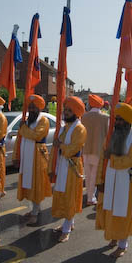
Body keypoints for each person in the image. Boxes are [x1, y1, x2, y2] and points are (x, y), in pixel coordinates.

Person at [95, 103, 132, 258]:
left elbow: (130, 161)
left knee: (123, 211)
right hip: (110, 178)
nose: (116, 122)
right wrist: (100, 180)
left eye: (120, 119)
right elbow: (102, 159)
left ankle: (123, 244)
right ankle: (113, 236)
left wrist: (111, 158)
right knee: (110, 209)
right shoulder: (112, 135)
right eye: (116, 119)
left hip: (126, 182)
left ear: (128, 121)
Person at [50, 96, 87, 242]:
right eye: (65, 110)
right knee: (63, 196)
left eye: (69, 110)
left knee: (70, 197)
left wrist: (60, 145)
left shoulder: (80, 129)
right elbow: (58, 144)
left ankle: (66, 230)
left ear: (76, 112)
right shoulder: (65, 127)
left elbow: (72, 149)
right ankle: (69, 223)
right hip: (63, 165)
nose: (65, 112)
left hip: (72, 167)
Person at [15, 95, 52, 225]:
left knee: (36, 184)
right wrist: (17, 156)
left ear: (39, 108)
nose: (31, 109)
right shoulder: (27, 121)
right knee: (28, 184)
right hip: (27, 155)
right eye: (29, 106)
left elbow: (36, 135)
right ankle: (35, 209)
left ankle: (35, 214)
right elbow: (22, 139)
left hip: (37, 155)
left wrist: (23, 128)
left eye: (33, 107)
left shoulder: (44, 120)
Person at [81, 94, 109, 206]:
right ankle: (91, 197)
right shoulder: (105, 117)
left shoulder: (84, 116)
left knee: (88, 174)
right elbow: (108, 134)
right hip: (99, 150)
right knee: (95, 175)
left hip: (86, 149)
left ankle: (90, 195)